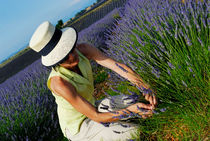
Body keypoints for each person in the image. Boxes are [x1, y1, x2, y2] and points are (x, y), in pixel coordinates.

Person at [29, 21, 157, 141]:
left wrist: (142, 85)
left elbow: (116, 66)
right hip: (80, 126)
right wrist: (130, 111)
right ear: (56, 61)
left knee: (135, 101)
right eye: (64, 57)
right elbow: (95, 116)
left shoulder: (84, 49)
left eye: (70, 49)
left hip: (93, 105)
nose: (73, 56)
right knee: (135, 132)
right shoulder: (59, 83)